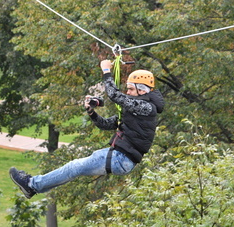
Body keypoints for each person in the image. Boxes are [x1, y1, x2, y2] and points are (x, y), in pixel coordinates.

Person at [9, 64, 165, 198]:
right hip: (119, 157)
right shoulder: (136, 111)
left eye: (131, 89)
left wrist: (106, 71)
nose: (128, 92)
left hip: (121, 158)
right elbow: (105, 124)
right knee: (74, 169)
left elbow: (114, 95)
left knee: (74, 167)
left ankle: (31, 184)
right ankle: (34, 186)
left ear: (142, 90)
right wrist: (91, 112)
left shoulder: (147, 108)